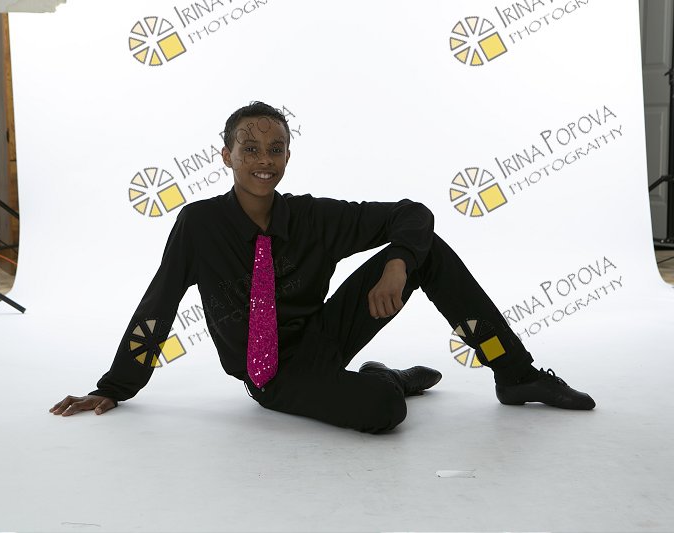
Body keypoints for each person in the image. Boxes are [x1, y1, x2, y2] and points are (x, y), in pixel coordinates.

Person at [49, 101, 595, 433]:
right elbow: (159, 304)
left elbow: (412, 214)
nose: (264, 161)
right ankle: (384, 379)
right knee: (383, 410)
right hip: (273, 376)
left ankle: (515, 374)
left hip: (323, 337)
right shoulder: (200, 225)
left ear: (288, 156)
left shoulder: (311, 217)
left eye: (276, 149)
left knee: (427, 248)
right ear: (226, 156)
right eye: (250, 149)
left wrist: (398, 263)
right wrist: (115, 387)